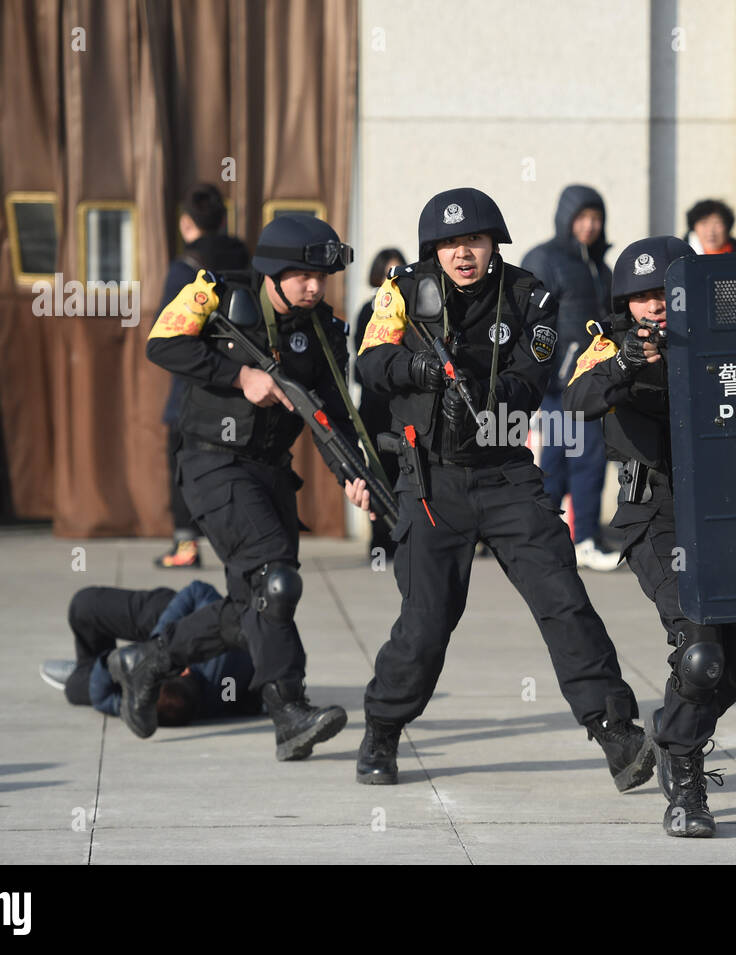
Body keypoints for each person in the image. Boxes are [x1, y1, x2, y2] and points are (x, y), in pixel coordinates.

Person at [353, 187, 655, 792]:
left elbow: (533, 373)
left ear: (494, 245)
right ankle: (383, 727)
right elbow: (370, 363)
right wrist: (419, 370)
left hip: (508, 473)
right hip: (432, 480)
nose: (463, 253)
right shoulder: (402, 291)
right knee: (426, 623)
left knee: (563, 600)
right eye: (450, 243)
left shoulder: (529, 296)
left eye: (474, 241)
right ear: (433, 249)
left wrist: (488, 400)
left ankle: (616, 732)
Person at [117, 213, 371, 761]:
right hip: (212, 466)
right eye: (304, 275)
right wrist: (240, 377)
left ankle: (151, 661)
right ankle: (288, 713)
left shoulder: (323, 331)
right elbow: (161, 344)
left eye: (321, 278)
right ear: (275, 272)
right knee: (274, 580)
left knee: (250, 607)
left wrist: (355, 474)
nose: (314, 287)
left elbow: (335, 415)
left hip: (271, 472)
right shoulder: (217, 295)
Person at [564, 236, 736, 838]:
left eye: (665, 292)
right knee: (700, 653)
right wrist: (629, 360)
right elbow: (577, 399)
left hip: (727, 511)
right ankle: (685, 779)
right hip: (653, 513)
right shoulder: (609, 346)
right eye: (641, 296)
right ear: (624, 304)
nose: (655, 305)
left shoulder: (724, 340)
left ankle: (674, 729)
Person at [520, 184, 620, 571]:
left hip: (593, 384)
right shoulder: (544, 259)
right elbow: (527, 319)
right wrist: (542, 372)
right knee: (569, 461)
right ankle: (567, 541)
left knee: (575, 461)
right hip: (557, 386)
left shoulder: (601, 268)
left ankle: (567, 539)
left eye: (596, 218)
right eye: (583, 217)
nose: (590, 226)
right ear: (566, 219)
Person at [153, 184, 251, 569]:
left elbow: (169, 334)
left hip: (192, 391)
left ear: (185, 223)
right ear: (224, 220)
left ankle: (186, 547)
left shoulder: (184, 269)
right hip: (242, 384)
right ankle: (240, 544)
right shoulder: (246, 259)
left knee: (183, 467)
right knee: (236, 469)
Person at [40, 582, 263, 724]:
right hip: (174, 621)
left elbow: (102, 698)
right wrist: (157, 645)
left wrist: (110, 666)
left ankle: (88, 667)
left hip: (164, 678)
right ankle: (128, 662)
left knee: (75, 689)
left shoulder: (164, 706)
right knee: (84, 606)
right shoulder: (227, 656)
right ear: (184, 671)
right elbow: (198, 589)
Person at [354, 247, 408, 563]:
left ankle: (403, 540)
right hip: (375, 410)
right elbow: (365, 363)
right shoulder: (367, 311)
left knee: (405, 476)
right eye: (389, 272)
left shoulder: (412, 312)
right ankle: (379, 544)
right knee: (378, 477)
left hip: (401, 409)